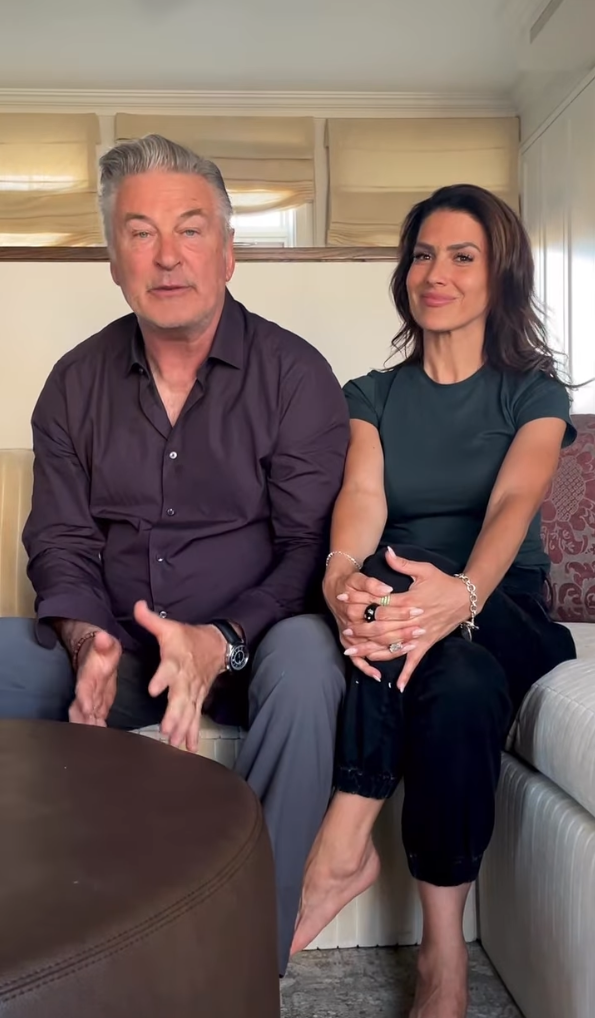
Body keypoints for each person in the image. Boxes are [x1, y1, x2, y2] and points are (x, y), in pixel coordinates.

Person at [0, 134, 350, 975]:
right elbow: (60, 537)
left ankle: (244, 967)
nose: (166, 257)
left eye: (190, 230)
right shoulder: (74, 384)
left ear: (228, 252)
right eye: (139, 232)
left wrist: (220, 639)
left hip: (257, 648)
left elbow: (308, 547)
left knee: (308, 662)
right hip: (121, 648)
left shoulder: (295, 376)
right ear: (113, 261)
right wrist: (88, 638)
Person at [290, 183, 577, 1017]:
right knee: (443, 672)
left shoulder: (532, 392)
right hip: (403, 595)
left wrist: (465, 593)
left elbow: (512, 506)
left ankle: (354, 860)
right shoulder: (370, 395)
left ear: (500, 278)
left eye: (462, 256)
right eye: (422, 254)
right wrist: (342, 573)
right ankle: (441, 948)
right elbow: (364, 496)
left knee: (444, 647)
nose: (435, 273)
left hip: (506, 603)